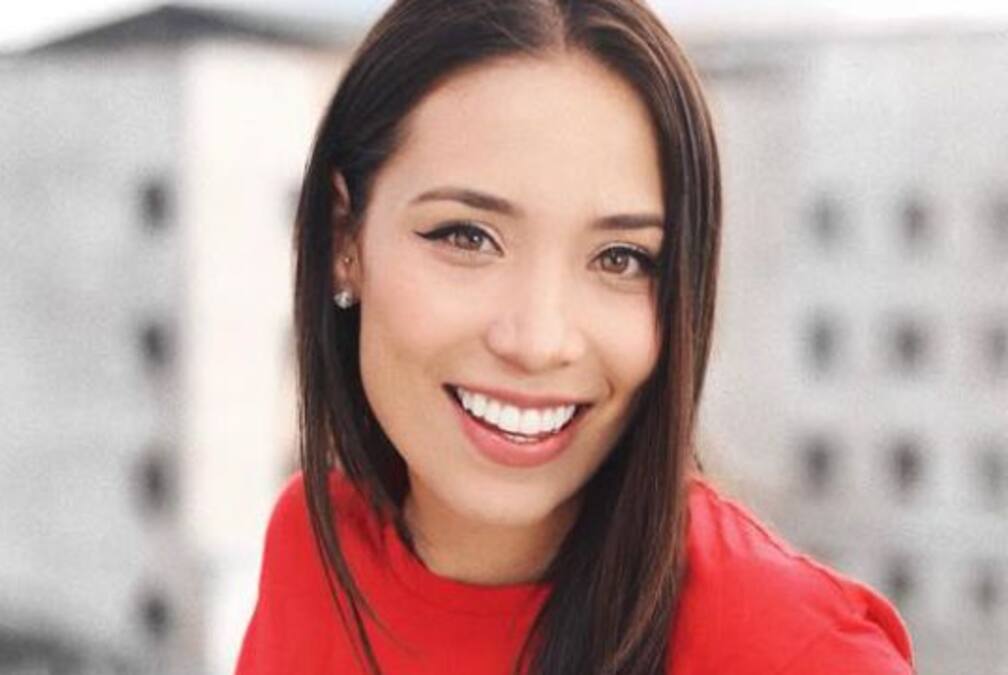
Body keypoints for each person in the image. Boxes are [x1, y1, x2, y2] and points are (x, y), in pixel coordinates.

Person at [236, 0, 915, 673]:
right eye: (467, 236)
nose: (538, 341)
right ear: (344, 239)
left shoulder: (797, 653)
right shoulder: (316, 551)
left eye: (621, 258)